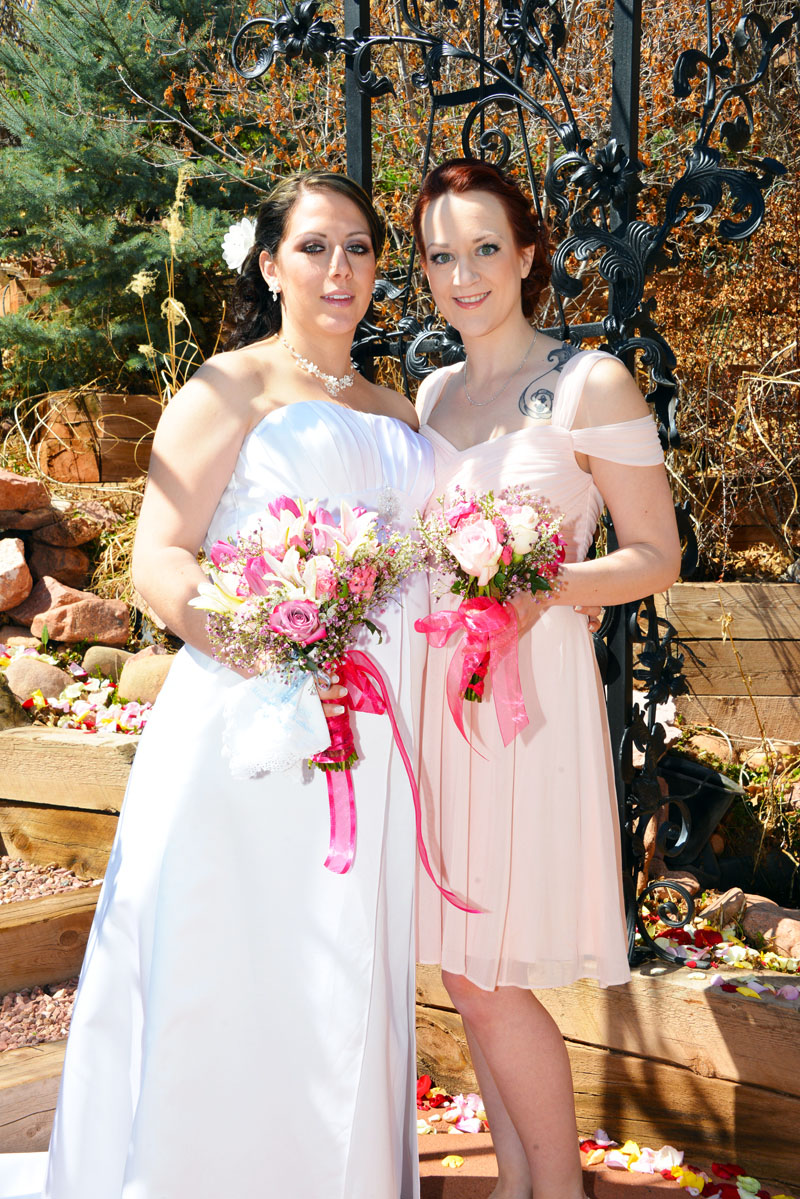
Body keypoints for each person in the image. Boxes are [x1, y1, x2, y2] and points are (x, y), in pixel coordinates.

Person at [0, 171, 433, 1199]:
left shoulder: (394, 405)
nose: (341, 269)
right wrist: (271, 653)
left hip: (367, 735)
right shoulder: (225, 387)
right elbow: (159, 558)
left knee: (338, 977)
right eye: (317, 247)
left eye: (360, 248)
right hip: (247, 724)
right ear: (270, 262)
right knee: (230, 964)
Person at [412, 159, 681, 1199]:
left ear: (526, 254)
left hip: (530, 701)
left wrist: (544, 584)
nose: (463, 274)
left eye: (484, 248)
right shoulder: (430, 393)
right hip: (447, 702)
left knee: (485, 975)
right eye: (441, 255)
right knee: (465, 973)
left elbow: (655, 553)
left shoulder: (589, 380)